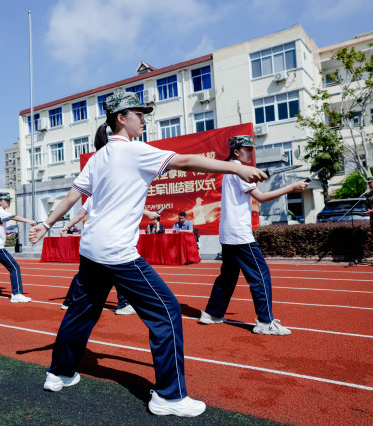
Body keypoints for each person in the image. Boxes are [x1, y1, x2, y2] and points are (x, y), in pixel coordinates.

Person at [29, 92, 266, 417]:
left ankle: (59, 373)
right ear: (121, 118)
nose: (144, 119)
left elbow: (72, 197)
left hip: (91, 249)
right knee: (167, 312)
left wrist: (46, 224)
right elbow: (185, 162)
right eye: (138, 114)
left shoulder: (98, 157)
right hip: (117, 252)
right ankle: (170, 395)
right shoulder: (134, 150)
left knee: (81, 313)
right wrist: (236, 169)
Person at [198, 135, 308, 335]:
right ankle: (265, 322)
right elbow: (261, 197)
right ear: (236, 151)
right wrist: (292, 188)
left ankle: (212, 313)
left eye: (252, 149)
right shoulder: (238, 170)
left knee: (228, 276)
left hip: (228, 232)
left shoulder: (231, 169)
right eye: (247, 149)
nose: (251, 152)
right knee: (260, 275)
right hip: (240, 233)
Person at [59, 196, 159, 315]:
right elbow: (128, 205)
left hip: (90, 241)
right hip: (110, 239)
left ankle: (69, 302)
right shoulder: (111, 194)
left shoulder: (91, 197)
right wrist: (149, 213)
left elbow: (80, 214)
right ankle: (124, 304)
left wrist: (66, 227)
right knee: (118, 271)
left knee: (84, 275)